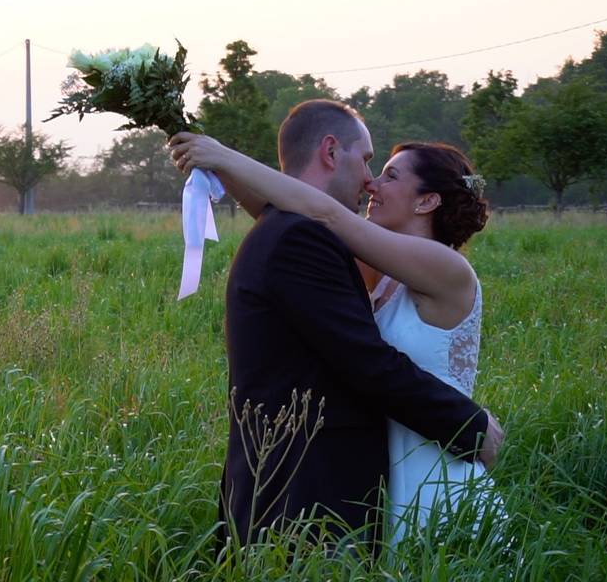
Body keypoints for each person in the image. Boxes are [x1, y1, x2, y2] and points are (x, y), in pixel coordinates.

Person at [167, 100, 504, 550]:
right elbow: (292, 223)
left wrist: (224, 155)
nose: (371, 182)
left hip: (437, 459)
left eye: (389, 175)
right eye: (372, 166)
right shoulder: (378, 267)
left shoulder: (444, 266)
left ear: (427, 200)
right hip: (391, 468)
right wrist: (219, 168)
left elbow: (325, 216)